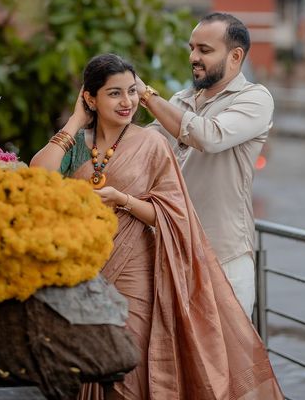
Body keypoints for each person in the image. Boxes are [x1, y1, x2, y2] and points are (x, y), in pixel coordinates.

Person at [30, 53, 283, 400]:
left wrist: (122, 199)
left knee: (127, 369)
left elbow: (175, 213)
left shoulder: (152, 143)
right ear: (91, 98)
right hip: (83, 271)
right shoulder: (75, 146)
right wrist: (75, 121)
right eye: (114, 93)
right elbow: (37, 176)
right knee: (83, 365)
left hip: (135, 273)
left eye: (132, 91)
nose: (128, 102)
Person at [135, 12, 274, 317]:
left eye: (205, 50)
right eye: (192, 48)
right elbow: (145, 146)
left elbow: (209, 137)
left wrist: (145, 94)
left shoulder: (255, 98)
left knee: (226, 362)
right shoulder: (181, 100)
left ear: (236, 56)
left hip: (224, 258)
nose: (193, 57)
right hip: (175, 253)